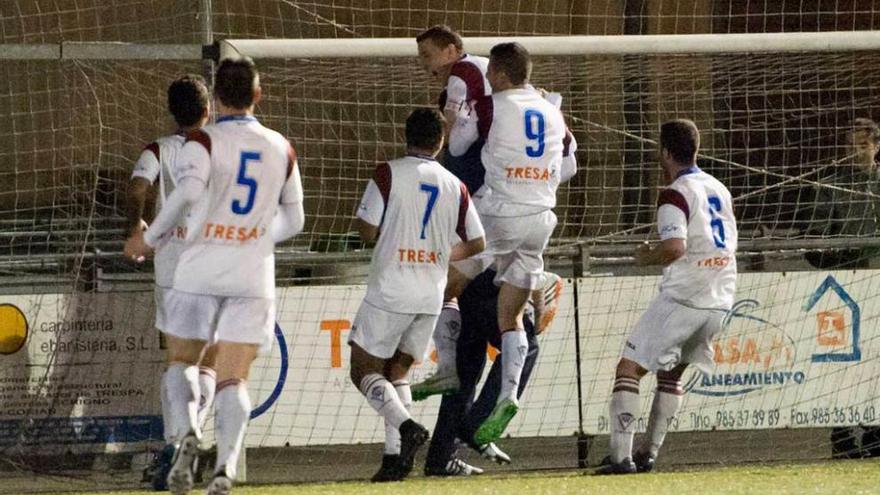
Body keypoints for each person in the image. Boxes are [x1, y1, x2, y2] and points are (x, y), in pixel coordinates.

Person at [124, 57, 305, 495]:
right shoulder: (281, 146)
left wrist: (148, 239)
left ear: (217, 98)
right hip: (252, 273)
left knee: (181, 362)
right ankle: (224, 467)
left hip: (199, 266)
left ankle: (185, 433)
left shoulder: (202, 142)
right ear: (258, 96)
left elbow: (185, 193)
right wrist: (260, 236)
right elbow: (296, 218)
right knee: (233, 378)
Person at [424, 42, 571, 446]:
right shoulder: (553, 111)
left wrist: (460, 119)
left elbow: (454, 146)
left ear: (502, 74)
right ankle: (508, 395)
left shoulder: (492, 105)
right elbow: (569, 165)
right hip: (541, 218)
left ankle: (447, 367)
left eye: (491, 72)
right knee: (511, 317)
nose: (487, 77)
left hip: (498, 213)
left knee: (443, 284)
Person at [347, 107, 486, 482]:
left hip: (392, 287)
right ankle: (395, 460)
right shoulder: (454, 185)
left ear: (405, 135)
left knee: (362, 369)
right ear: (440, 142)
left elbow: (368, 231)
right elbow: (477, 241)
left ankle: (407, 428)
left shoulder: (388, 173)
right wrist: (442, 253)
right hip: (430, 293)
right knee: (399, 372)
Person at [596, 119, 738, 475]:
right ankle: (647, 454)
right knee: (671, 375)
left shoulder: (675, 192)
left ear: (664, 152)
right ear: (696, 149)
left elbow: (675, 248)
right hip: (720, 297)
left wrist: (646, 256)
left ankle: (621, 458)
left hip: (685, 297)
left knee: (628, 368)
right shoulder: (719, 188)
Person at [124, 74, 219, 491]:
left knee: (177, 361)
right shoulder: (223, 150)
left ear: (171, 111)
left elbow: (137, 188)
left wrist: (137, 227)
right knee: (211, 362)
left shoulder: (157, 150)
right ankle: (190, 436)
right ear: (207, 111)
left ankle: (175, 444)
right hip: (217, 267)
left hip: (172, 269)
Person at [413, 25, 492, 397]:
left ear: (451, 50)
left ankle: (446, 367)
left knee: (440, 280)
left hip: (482, 188)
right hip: (505, 193)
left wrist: (435, 163)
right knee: (458, 285)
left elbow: (453, 134)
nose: (424, 63)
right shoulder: (486, 72)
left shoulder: (462, 73)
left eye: (428, 55)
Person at [424, 269, 563, 476]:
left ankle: (440, 458)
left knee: (465, 372)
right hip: (494, 287)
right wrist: (538, 315)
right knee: (527, 347)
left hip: (466, 288)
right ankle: (476, 425)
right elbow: (530, 270)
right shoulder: (530, 236)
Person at [805, 117, 880, 270]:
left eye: (863, 146)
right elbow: (816, 236)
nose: (856, 153)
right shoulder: (828, 186)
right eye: (850, 146)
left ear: (877, 147)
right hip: (845, 270)